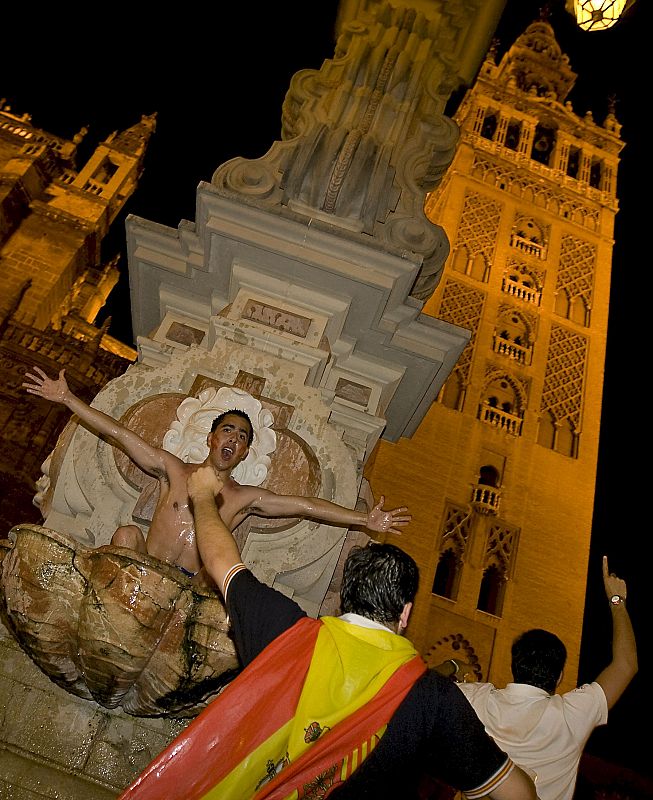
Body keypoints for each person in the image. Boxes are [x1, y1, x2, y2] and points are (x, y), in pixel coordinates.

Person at [117, 465, 538, 800]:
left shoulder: (286, 631)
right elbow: (516, 792)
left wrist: (203, 498)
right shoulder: (434, 699)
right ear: (406, 613)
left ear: (344, 598)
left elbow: (221, 558)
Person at [22, 366, 410, 584]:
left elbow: (306, 504)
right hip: (140, 570)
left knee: (220, 581)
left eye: (242, 437)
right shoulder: (174, 469)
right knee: (125, 534)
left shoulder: (244, 498)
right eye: (228, 430)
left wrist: (365, 519)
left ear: (244, 453)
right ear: (211, 438)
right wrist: (68, 399)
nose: (234, 439)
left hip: (186, 586)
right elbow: (121, 434)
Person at [441, 556, 637, 800]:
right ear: (559, 677)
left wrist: (451, 665)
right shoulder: (571, 715)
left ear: (514, 665)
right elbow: (626, 665)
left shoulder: (475, 699)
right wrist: (616, 600)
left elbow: (418, 685)